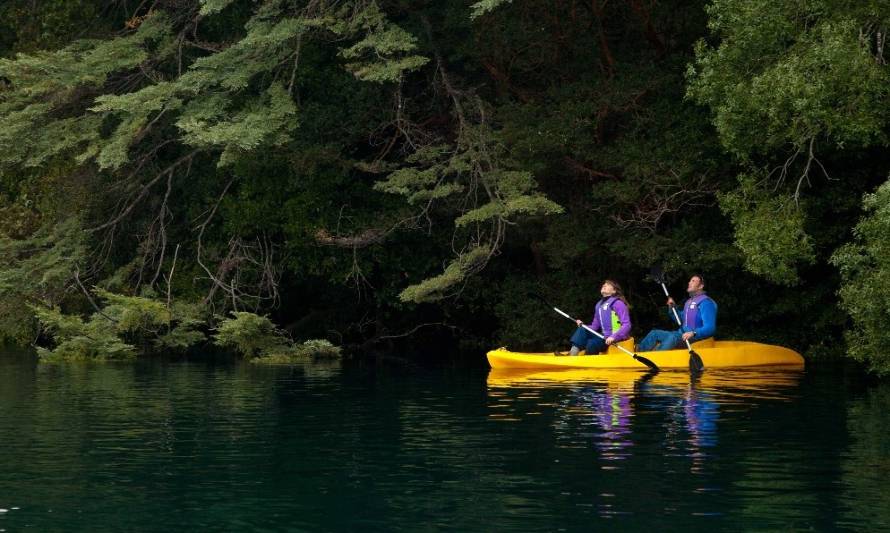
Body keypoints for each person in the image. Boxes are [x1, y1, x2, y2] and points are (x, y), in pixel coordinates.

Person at [637, 274, 717, 352]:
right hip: (681, 335)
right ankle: (638, 353)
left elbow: (710, 328)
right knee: (654, 333)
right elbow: (680, 319)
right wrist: (673, 308)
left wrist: (693, 333)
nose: (689, 283)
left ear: (701, 286)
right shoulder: (688, 302)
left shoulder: (706, 303)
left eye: (693, 281)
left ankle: (656, 358)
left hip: (695, 338)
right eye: (689, 281)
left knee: (672, 337)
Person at [562, 279, 632, 356]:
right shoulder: (599, 305)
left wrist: (613, 336)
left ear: (614, 291)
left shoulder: (618, 303)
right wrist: (583, 325)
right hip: (604, 337)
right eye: (604, 284)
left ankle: (587, 362)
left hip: (617, 338)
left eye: (608, 285)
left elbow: (627, 325)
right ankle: (572, 355)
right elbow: (595, 326)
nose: (604, 285)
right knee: (582, 329)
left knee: (592, 343)